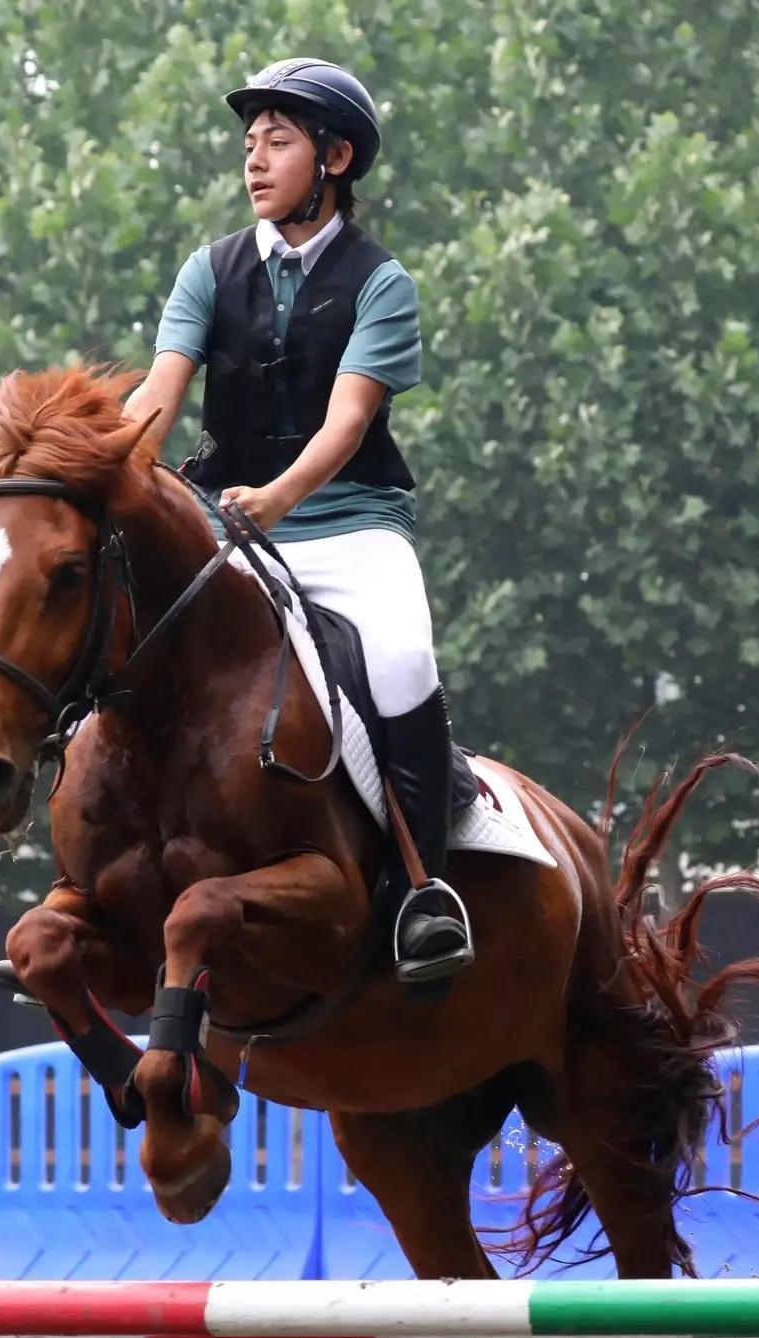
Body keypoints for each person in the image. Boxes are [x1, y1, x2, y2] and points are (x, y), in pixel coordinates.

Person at [124, 57, 478, 987]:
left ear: (336, 157)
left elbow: (348, 422)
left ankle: (420, 890)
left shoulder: (381, 282)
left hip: (350, 523)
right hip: (225, 523)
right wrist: (104, 470)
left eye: (278, 142)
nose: (255, 161)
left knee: (403, 660)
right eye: (249, 144)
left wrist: (278, 500)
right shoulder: (208, 270)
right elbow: (159, 395)